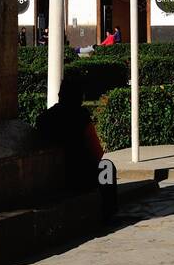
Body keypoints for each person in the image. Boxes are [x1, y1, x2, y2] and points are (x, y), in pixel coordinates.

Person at [35, 73, 115, 218]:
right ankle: (108, 212)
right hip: (79, 176)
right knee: (107, 167)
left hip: (49, 177)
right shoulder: (81, 116)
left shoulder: (44, 119)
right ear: (80, 97)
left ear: (60, 94)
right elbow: (98, 152)